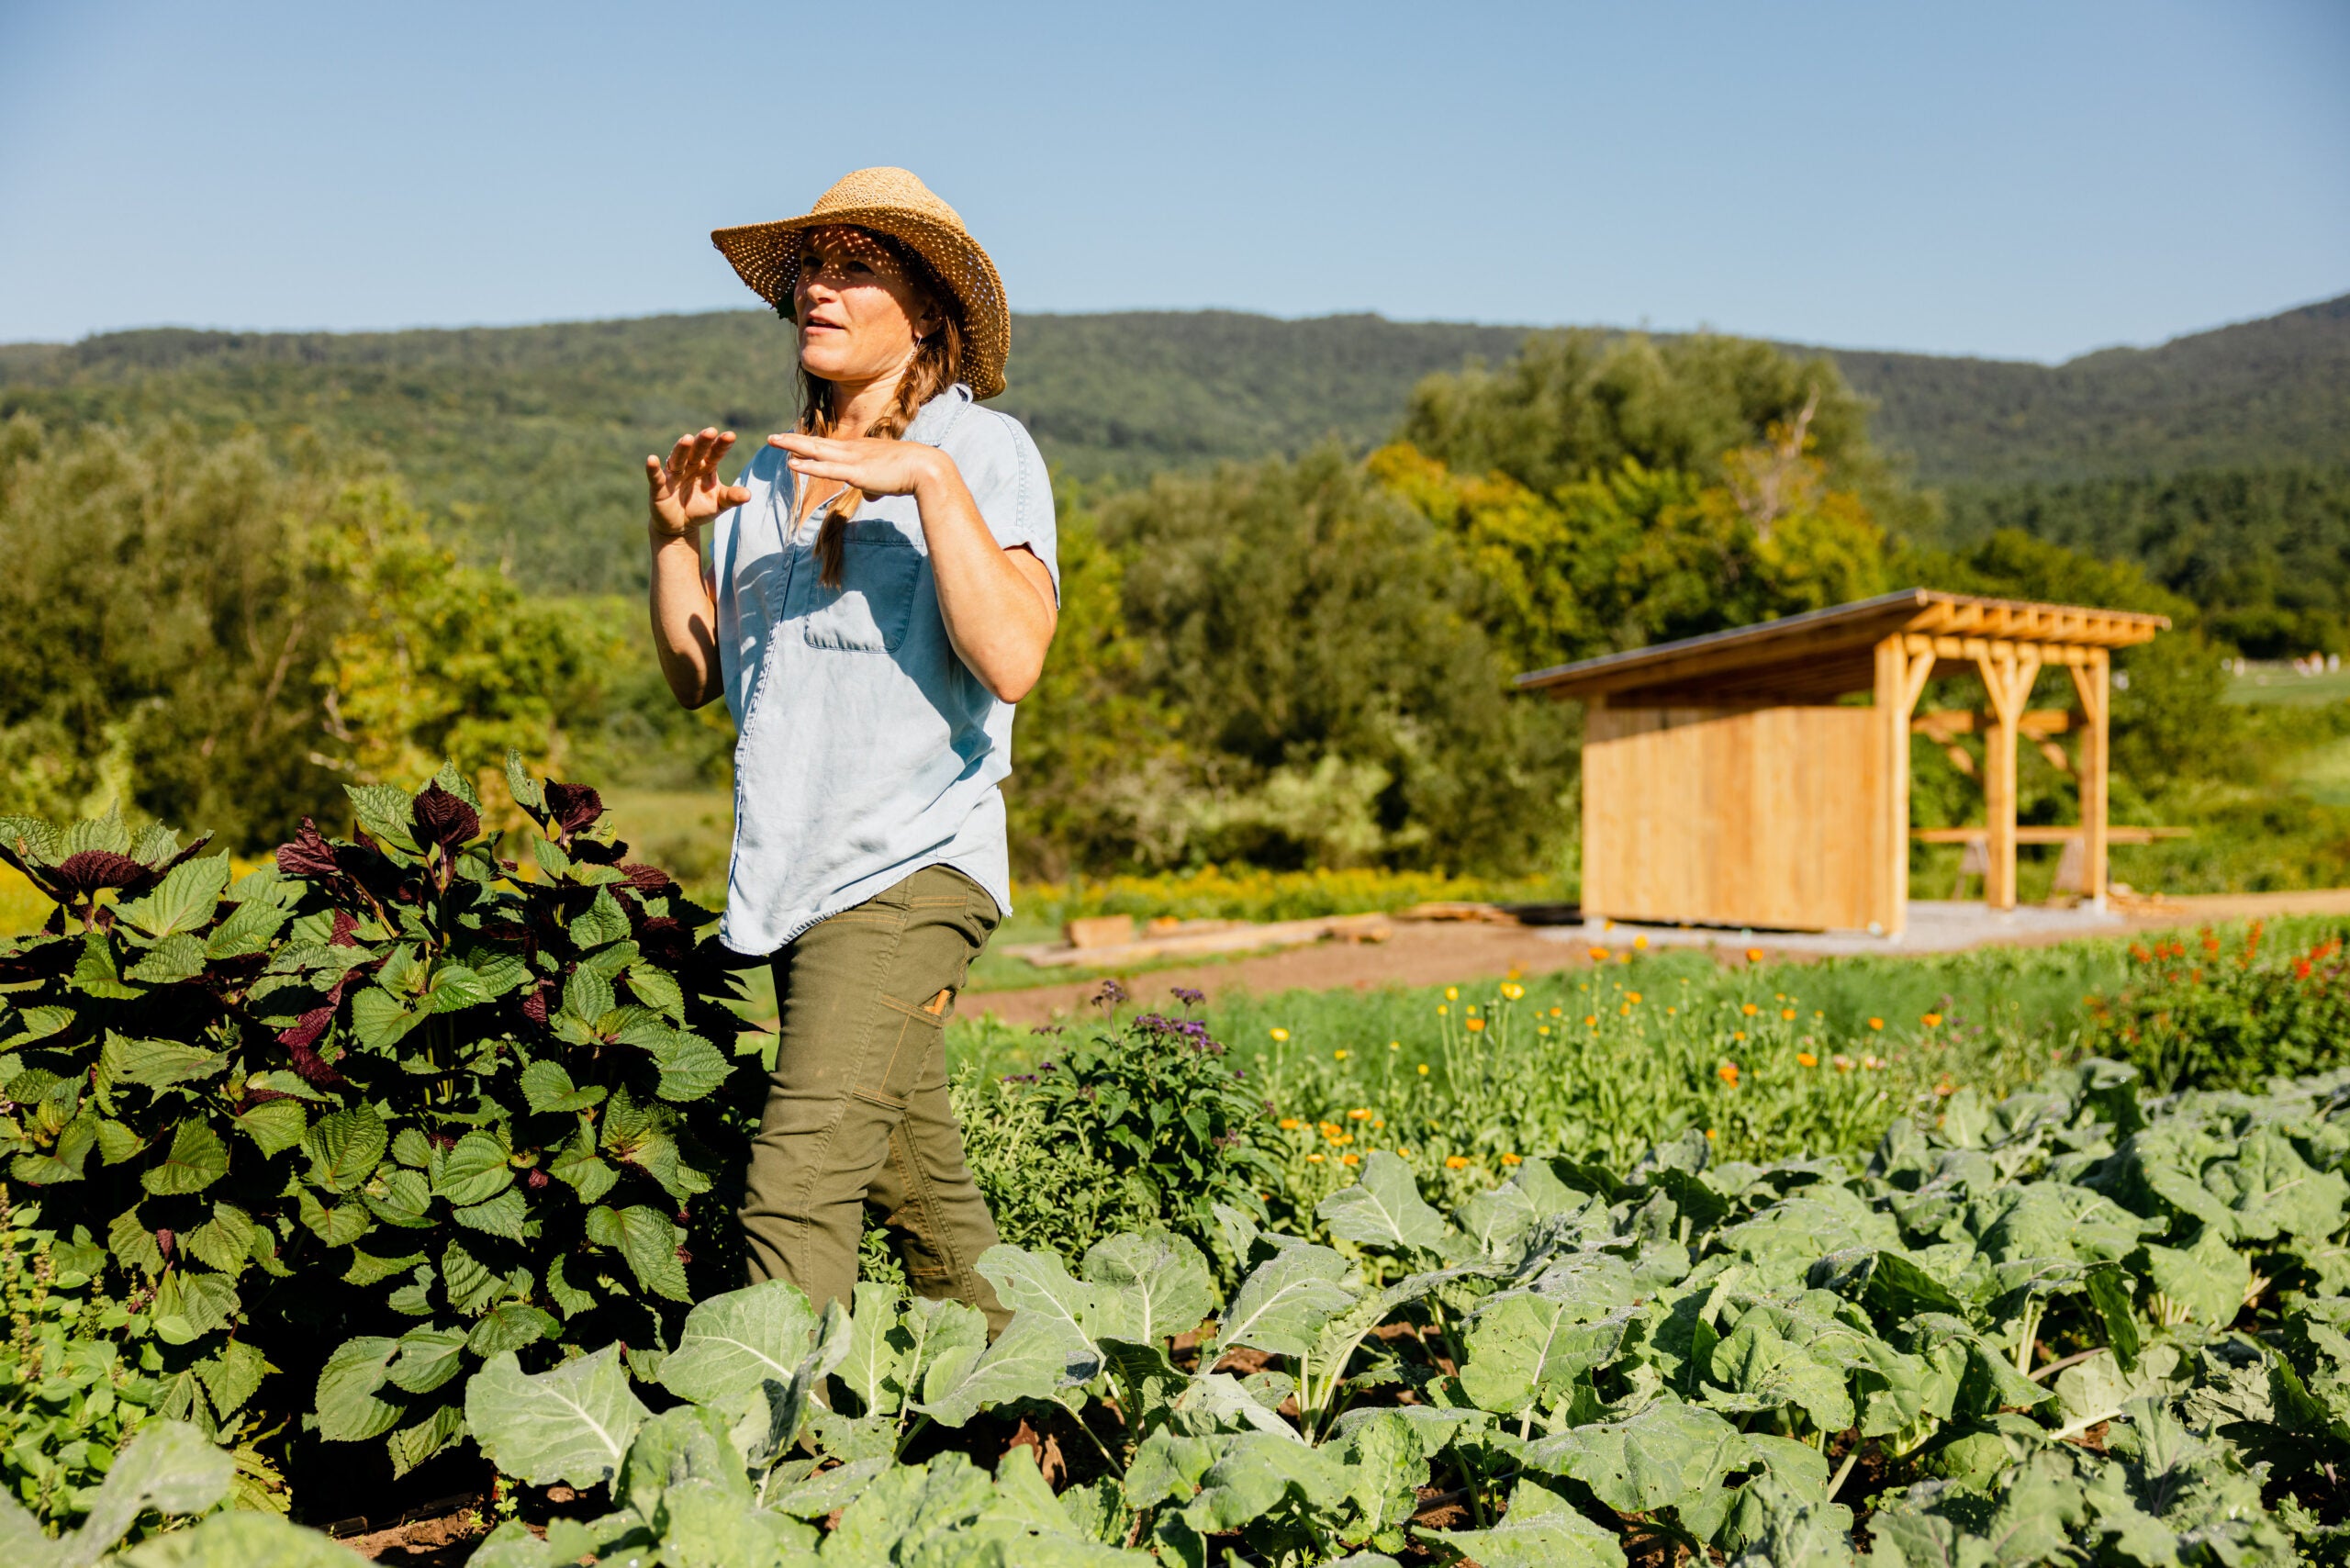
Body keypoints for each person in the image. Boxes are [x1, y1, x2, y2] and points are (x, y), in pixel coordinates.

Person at [642, 168, 1058, 1332]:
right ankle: (1041, 1411)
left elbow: (1014, 657)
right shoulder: (772, 472)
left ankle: (789, 1480)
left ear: (926, 309)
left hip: (911, 862)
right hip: (795, 872)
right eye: (814, 266)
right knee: (921, 1193)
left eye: (856, 265)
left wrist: (920, 477)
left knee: (795, 1188)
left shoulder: (982, 451)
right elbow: (700, 676)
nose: (821, 286)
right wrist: (676, 542)